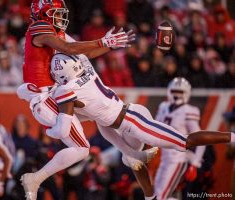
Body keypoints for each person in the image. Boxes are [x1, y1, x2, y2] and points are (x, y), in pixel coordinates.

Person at [17, 1, 157, 200]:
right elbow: (69, 48)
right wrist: (102, 42)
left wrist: (108, 46)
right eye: (56, 13)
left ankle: (131, 154)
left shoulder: (53, 32)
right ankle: (36, 176)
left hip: (52, 94)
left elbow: (83, 53)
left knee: (97, 114)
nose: (61, 17)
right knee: (82, 148)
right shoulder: (40, 27)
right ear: (43, 14)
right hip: (45, 97)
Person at [49, 53, 235, 179]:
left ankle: (232, 137)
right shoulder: (87, 73)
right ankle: (149, 195)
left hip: (132, 120)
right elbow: (76, 48)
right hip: (127, 117)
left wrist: (49, 123)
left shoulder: (67, 91)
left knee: (182, 142)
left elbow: (64, 126)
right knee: (132, 159)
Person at [154, 77, 206, 200]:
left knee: (161, 196)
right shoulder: (163, 107)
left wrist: (195, 162)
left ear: (186, 93)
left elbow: (201, 139)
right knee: (156, 194)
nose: (177, 95)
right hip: (164, 157)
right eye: (174, 92)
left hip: (178, 159)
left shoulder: (189, 111)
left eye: (180, 92)